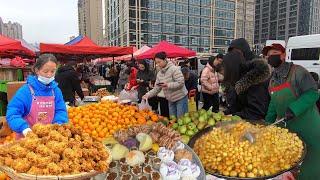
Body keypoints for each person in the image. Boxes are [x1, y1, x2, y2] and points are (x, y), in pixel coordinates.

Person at [263, 43, 320, 179]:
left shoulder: (298, 72)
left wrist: (294, 108)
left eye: (275, 53)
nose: (271, 57)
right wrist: (266, 123)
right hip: (289, 130)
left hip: (308, 126)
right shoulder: (273, 81)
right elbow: (273, 103)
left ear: (283, 55)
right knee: (292, 165)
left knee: (312, 163)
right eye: (268, 55)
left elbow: (313, 93)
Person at [6, 54, 68, 138]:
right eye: (45, 71)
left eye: (52, 71)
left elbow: (60, 110)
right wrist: (24, 128)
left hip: (49, 139)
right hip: (27, 140)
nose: (49, 75)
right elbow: (13, 113)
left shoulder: (55, 91)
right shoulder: (25, 91)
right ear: (37, 70)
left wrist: (59, 124)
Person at [221, 51, 270, 120]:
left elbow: (256, 112)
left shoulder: (256, 80)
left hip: (258, 125)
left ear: (232, 68)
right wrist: (226, 112)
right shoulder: (240, 79)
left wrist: (233, 115)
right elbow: (239, 104)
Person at [143, 52, 188, 118]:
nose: (158, 64)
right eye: (156, 63)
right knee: (173, 120)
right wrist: (147, 95)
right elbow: (157, 88)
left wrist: (168, 85)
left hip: (180, 98)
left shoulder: (174, 69)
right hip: (170, 99)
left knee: (181, 119)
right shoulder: (159, 74)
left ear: (165, 60)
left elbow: (181, 82)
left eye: (159, 62)